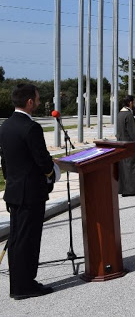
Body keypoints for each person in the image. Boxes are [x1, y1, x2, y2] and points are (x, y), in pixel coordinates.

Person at [0, 83, 58, 299]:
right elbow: (42, 161)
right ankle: (25, 286)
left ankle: (19, 284)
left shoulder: (6, 126)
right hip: (31, 193)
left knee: (17, 240)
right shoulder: (31, 128)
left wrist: (11, 181)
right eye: (38, 98)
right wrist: (52, 174)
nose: (40, 102)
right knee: (29, 240)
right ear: (30, 102)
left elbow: (5, 160)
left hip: (14, 191)